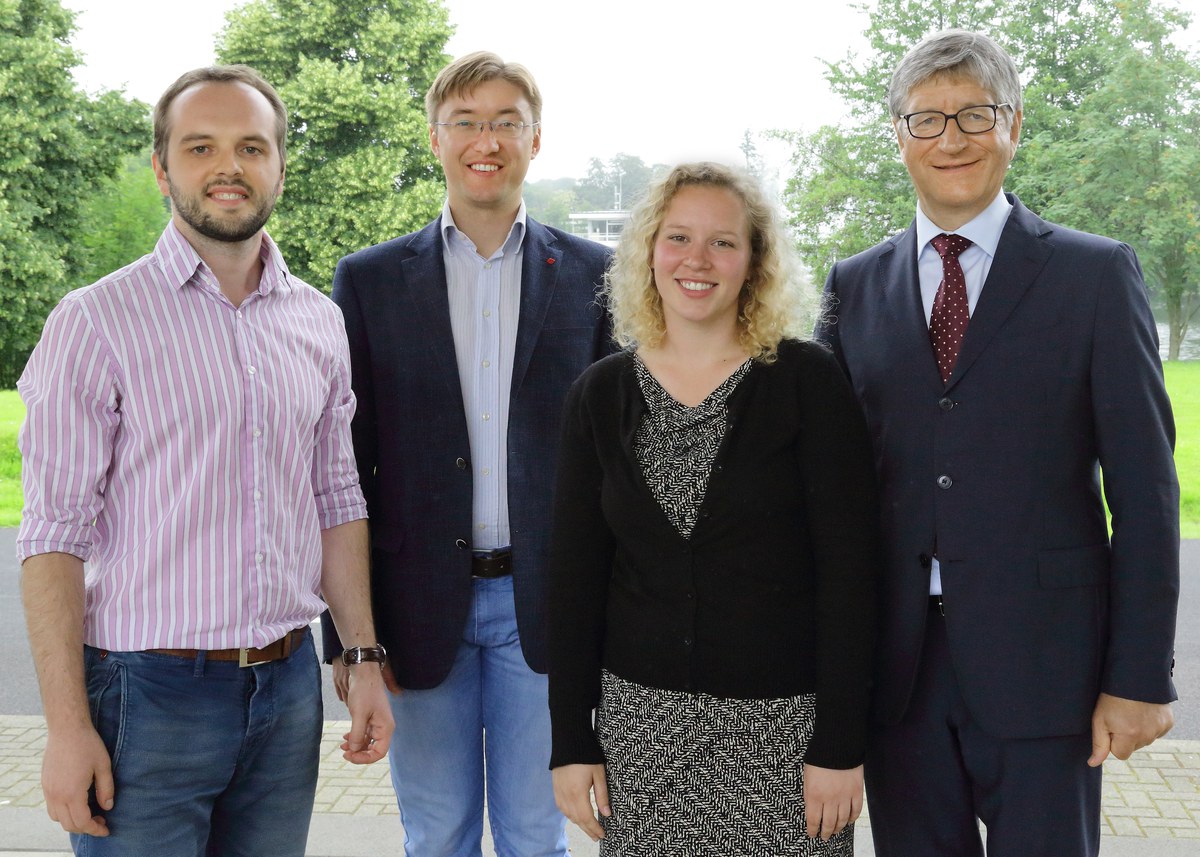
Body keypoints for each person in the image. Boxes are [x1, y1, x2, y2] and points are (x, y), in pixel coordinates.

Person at [816, 29, 1180, 857]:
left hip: (1048, 670)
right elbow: (826, 494)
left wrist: (1138, 677)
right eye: (927, 120)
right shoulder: (851, 285)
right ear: (898, 137)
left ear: (1013, 124)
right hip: (898, 676)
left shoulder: (1094, 275)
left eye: (974, 116)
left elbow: (1147, 490)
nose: (952, 140)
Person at [16, 65, 393, 856]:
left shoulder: (318, 322)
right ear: (162, 168)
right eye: (201, 147)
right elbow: (53, 535)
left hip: (289, 689)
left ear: (280, 165)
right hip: (144, 696)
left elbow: (335, 496)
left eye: (252, 146)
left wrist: (359, 656)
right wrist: (65, 728)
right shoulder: (95, 321)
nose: (230, 167)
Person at [320, 51, 612, 855]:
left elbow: (621, 463)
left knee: (533, 832)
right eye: (467, 122)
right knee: (436, 831)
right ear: (435, 138)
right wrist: (350, 642)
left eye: (506, 122)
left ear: (536, 139)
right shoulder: (371, 280)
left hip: (546, 607)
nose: (487, 140)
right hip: (415, 609)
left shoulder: (597, 276)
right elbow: (340, 466)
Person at [547, 162, 880, 856]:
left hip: (786, 739)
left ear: (755, 261)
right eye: (678, 238)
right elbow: (574, 583)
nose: (697, 261)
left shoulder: (807, 383)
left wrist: (841, 745)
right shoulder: (598, 394)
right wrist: (571, 743)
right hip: (642, 736)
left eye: (723, 242)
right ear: (647, 252)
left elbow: (853, 576)